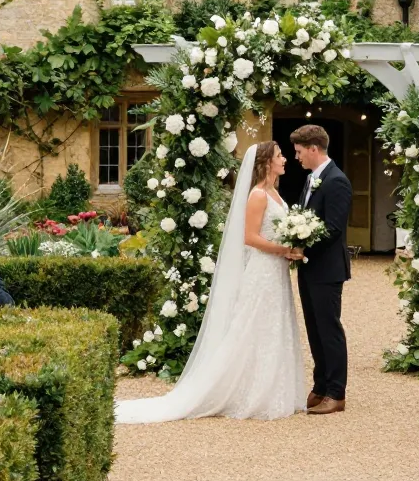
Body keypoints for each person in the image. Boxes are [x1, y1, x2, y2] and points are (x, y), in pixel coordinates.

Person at [116, 141, 308, 422]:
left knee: (273, 325)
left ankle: (273, 389)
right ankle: (248, 393)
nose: (285, 159)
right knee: (254, 326)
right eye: (280, 156)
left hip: (275, 271)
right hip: (263, 270)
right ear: (267, 162)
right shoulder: (257, 195)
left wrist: (289, 247)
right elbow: (250, 238)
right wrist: (282, 249)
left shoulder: (275, 194)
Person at [290, 124, 353, 415]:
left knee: (329, 330)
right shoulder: (311, 179)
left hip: (327, 269)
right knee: (314, 329)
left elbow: (334, 228)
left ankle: (336, 393)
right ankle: (320, 386)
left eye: (300, 151)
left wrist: (304, 247)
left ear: (314, 149)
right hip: (309, 268)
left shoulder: (336, 181)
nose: (296, 157)